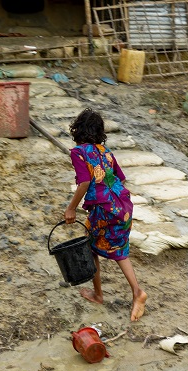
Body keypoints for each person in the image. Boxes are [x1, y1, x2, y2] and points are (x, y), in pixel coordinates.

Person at [64, 108, 147, 321]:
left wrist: (72, 208)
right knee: (119, 249)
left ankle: (103, 294)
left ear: (78, 130)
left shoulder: (79, 153)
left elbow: (84, 182)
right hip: (123, 205)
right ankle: (133, 292)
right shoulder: (105, 152)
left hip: (104, 208)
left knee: (92, 248)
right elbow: (121, 178)